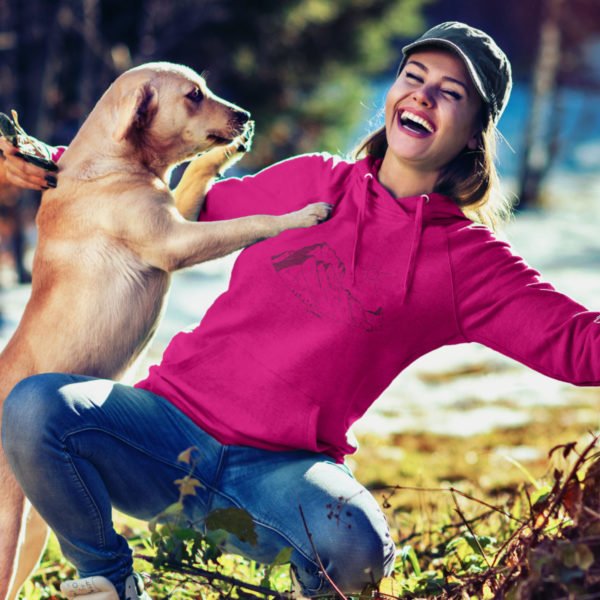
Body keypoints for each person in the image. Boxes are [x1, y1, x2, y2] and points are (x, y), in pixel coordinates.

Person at [1, 20, 597, 600]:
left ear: (474, 133)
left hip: (279, 480)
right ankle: (111, 579)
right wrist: (54, 162)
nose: (423, 95)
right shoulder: (313, 179)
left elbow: (576, 344)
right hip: (163, 439)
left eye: (451, 92)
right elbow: (168, 214)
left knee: (357, 538)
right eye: (414, 76)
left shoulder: (466, 260)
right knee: (33, 406)